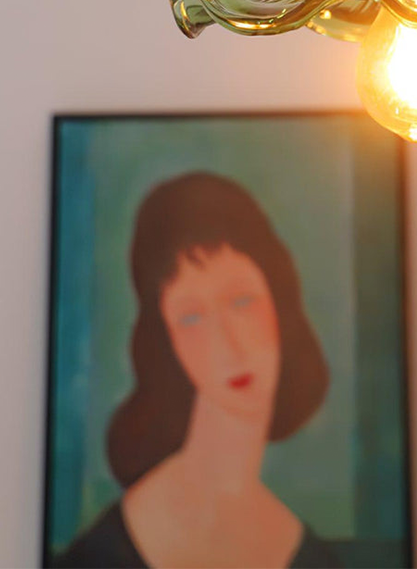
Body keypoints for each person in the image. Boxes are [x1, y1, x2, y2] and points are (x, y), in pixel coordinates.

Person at [54, 172, 337, 569]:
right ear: (168, 344)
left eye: (241, 302)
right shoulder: (109, 551)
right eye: (192, 318)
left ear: (279, 300)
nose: (229, 344)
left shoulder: (307, 554)